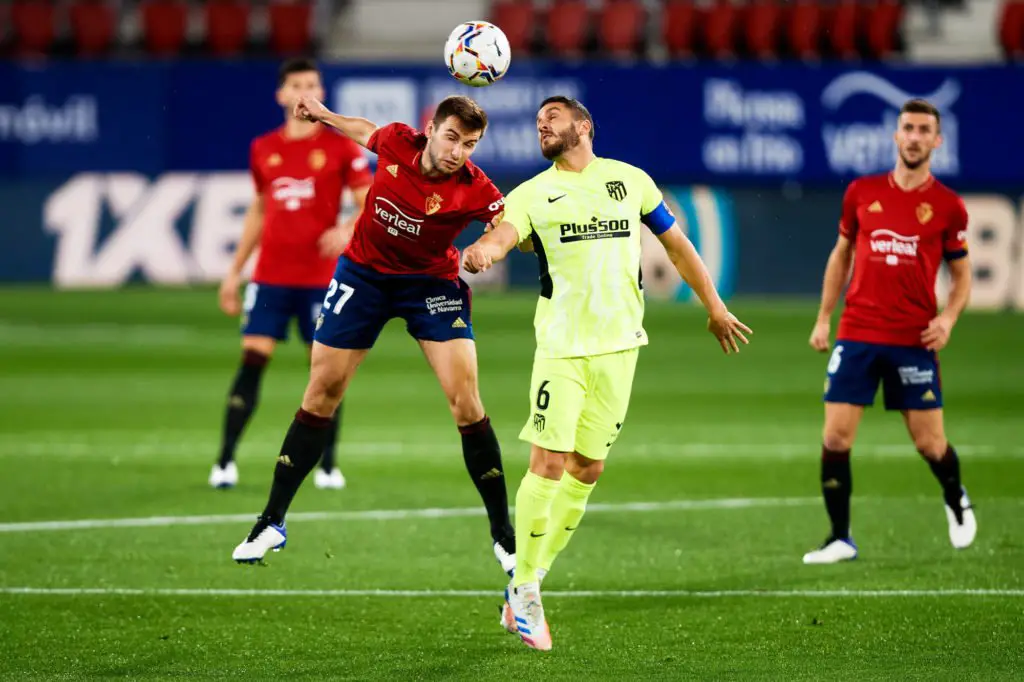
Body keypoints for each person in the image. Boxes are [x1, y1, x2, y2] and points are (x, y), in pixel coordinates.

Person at [461, 96, 752, 651]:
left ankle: (528, 582)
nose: (542, 124)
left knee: (587, 468)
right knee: (547, 462)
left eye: (552, 117)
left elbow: (677, 245)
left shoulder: (630, 181)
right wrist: (483, 251)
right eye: (538, 121)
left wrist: (714, 306)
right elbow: (503, 234)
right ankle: (526, 589)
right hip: (562, 349)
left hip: (620, 347)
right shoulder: (532, 193)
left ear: (584, 126)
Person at [231, 92, 518, 576]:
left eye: (469, 144)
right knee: (322, 391)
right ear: (430, 130)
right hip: (363, 276)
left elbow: (507, 224)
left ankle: (504, 537)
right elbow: (364, 130)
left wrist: (489, 248)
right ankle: (271, 522)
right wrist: (324, 115)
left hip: (431, 285)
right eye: (451, 138)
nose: (457, 152)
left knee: (466, 401)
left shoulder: (474, 185)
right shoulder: (398, 142)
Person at [802, 98, 977, 565]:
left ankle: (956, 496)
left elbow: (962, 277)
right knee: (835, 439)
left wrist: (948, 319)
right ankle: (840, 538)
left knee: (930, 444)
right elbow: (841, 254)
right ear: (896, 135)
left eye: (924, 130)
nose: (915, 137)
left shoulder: (948, 206)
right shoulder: (862, 192)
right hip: (858, 331)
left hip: (913, 339)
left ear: (937, 140)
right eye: (908, 128)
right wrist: (824, 316)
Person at [211, 58, 371, 491]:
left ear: (321, 93)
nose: (305, 92)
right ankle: (224, 461)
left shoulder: (341, 148)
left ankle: (328, 466)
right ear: (281, 94)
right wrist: (234, 272)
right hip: (270, 277)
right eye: (297, 85)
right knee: (252, 361)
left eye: (312, 85)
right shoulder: (264, 147)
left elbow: (371, 201)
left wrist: (346, 228)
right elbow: (259, 210)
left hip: (323, 279)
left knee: (326, 373)